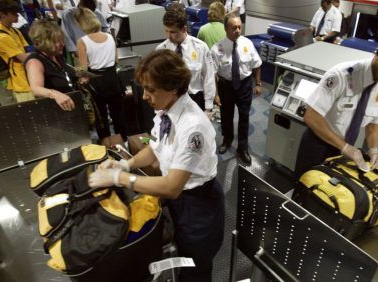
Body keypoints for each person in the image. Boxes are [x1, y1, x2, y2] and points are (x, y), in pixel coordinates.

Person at [88, 49, 225, 282]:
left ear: (172, 88)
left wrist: (118, 179)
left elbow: (172, 186)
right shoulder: (165, 111)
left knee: (195, 268)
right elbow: (155, 147)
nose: (143, 96)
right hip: (179, 201)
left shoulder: (192, 127)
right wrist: (125, 164)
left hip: (198, 207)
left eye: (150, 90)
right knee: (181, 256)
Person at [295, 36, 378, 177]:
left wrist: (374, 149)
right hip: (318, 144)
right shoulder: (341, 75)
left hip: (346, 150)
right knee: (305, 187)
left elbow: (375, 122)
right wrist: (345, 147)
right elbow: (311, 116)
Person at [210, 13, 262, 164]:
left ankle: (242, 148)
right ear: (226, 28)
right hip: (226, 86)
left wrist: (258, 84)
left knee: (244, 117)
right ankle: (227, 140)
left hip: (244, 85)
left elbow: (257, 65)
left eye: (239, 27)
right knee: (226, 115)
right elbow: (213, 74)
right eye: (234, 28)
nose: (238, 30)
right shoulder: (217, 49)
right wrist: (216, 94)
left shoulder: (248, 43)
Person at [76, 7, 125, 141]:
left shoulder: (82, 41)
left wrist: (80, 78)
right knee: (118, 115)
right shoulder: (109, 36)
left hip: (96, 82)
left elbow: (84, 69)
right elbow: (116, 60)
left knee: (101, 117)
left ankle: (106, 145)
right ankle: (123, 143)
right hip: (113, 78)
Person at [156, 3, 216, 112]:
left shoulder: (200, 48)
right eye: (166, 31)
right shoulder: (161, 50)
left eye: (173, 32)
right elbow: (158, 81)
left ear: (184, 29)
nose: (168, 36)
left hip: (195, 99)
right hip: (170, 101)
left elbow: (208, 77)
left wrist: (208, 106)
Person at [24, 19, 76, 111]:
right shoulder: (35, 61)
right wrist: (55, 94)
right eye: (57, 41)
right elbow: (35, 89)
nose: (62, 44)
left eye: (61, 40)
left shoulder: (55, 54)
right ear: (45, 42)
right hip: (55, 112)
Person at [0, 0, 34, 103]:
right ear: (2, 14)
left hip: (30, 76)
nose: (18, 15)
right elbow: (23, 58)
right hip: (22, 84)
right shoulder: (0, 36)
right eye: (14, 13)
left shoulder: (14, 30)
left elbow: (28, 49)